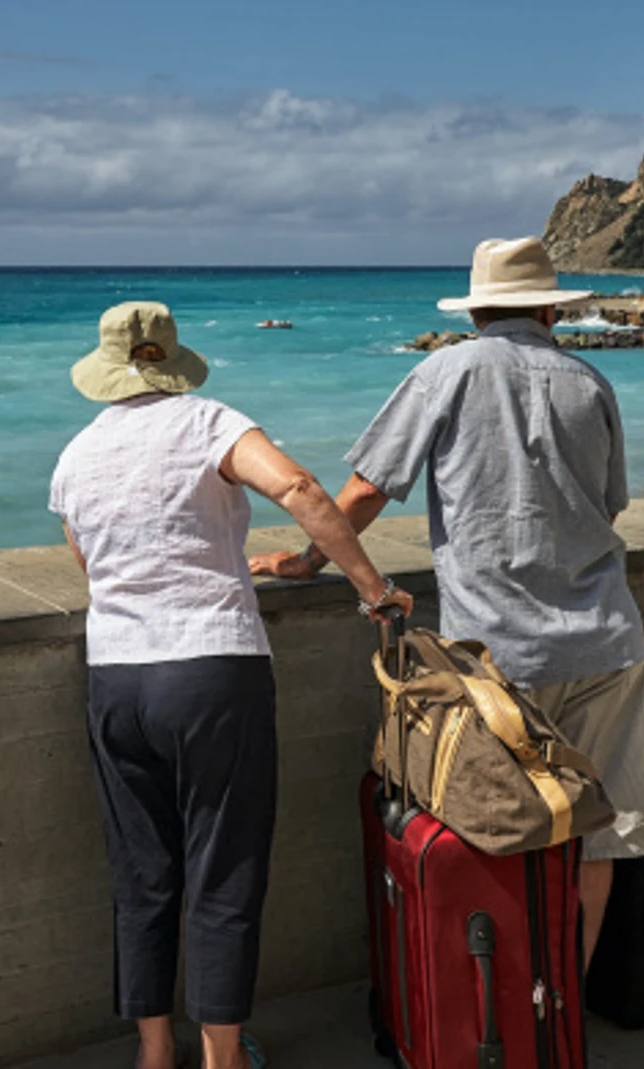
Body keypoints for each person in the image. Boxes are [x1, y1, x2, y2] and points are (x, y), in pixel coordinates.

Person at [249, 237, 644, 971]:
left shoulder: (446, 371)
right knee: (601, 837)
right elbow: (610, 508)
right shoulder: (591, 382)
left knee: (497, 833)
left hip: (497, 658)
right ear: (551, 311)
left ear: (475, 312)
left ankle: (507, 1007)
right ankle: (566, 1005)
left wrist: (307, 560)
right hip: (606, 642)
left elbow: (367, 489)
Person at [51, 301, 413, 1069]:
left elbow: (90, 563)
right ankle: (223, 1058)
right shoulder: (209, 423)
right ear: (172, 361)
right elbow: (301, 489)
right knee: (223, 869)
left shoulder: (75, 457)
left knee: (142, 872)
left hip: (116, 677)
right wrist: (372, 587)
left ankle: (154, 1052)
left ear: (107, 370)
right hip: (211, 670)